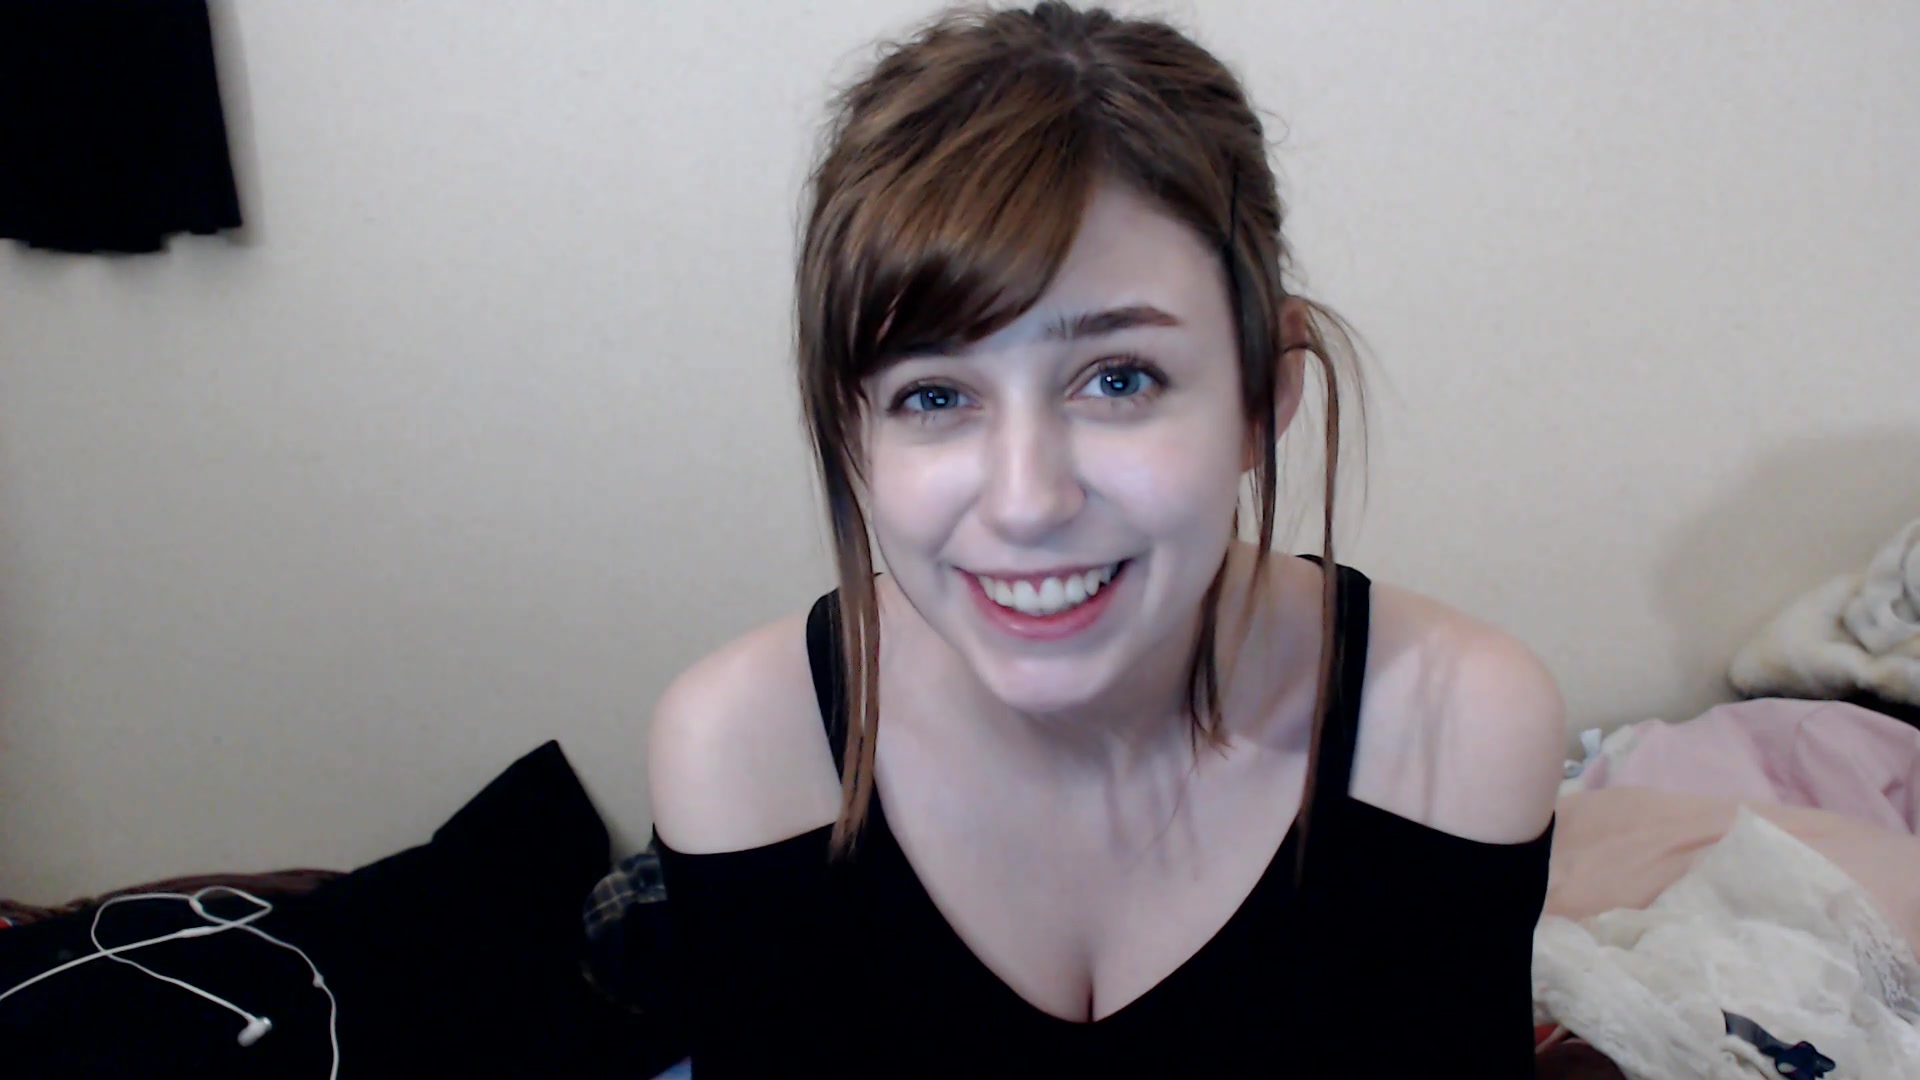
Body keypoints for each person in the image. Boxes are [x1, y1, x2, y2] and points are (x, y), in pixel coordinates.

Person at [647, 3, 1566, 1075]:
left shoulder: (1455, 726)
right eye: (935, 395)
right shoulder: (742, 753)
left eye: (1119, 379)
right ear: (855, 428)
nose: (1027, 502)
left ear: (1263, 392)